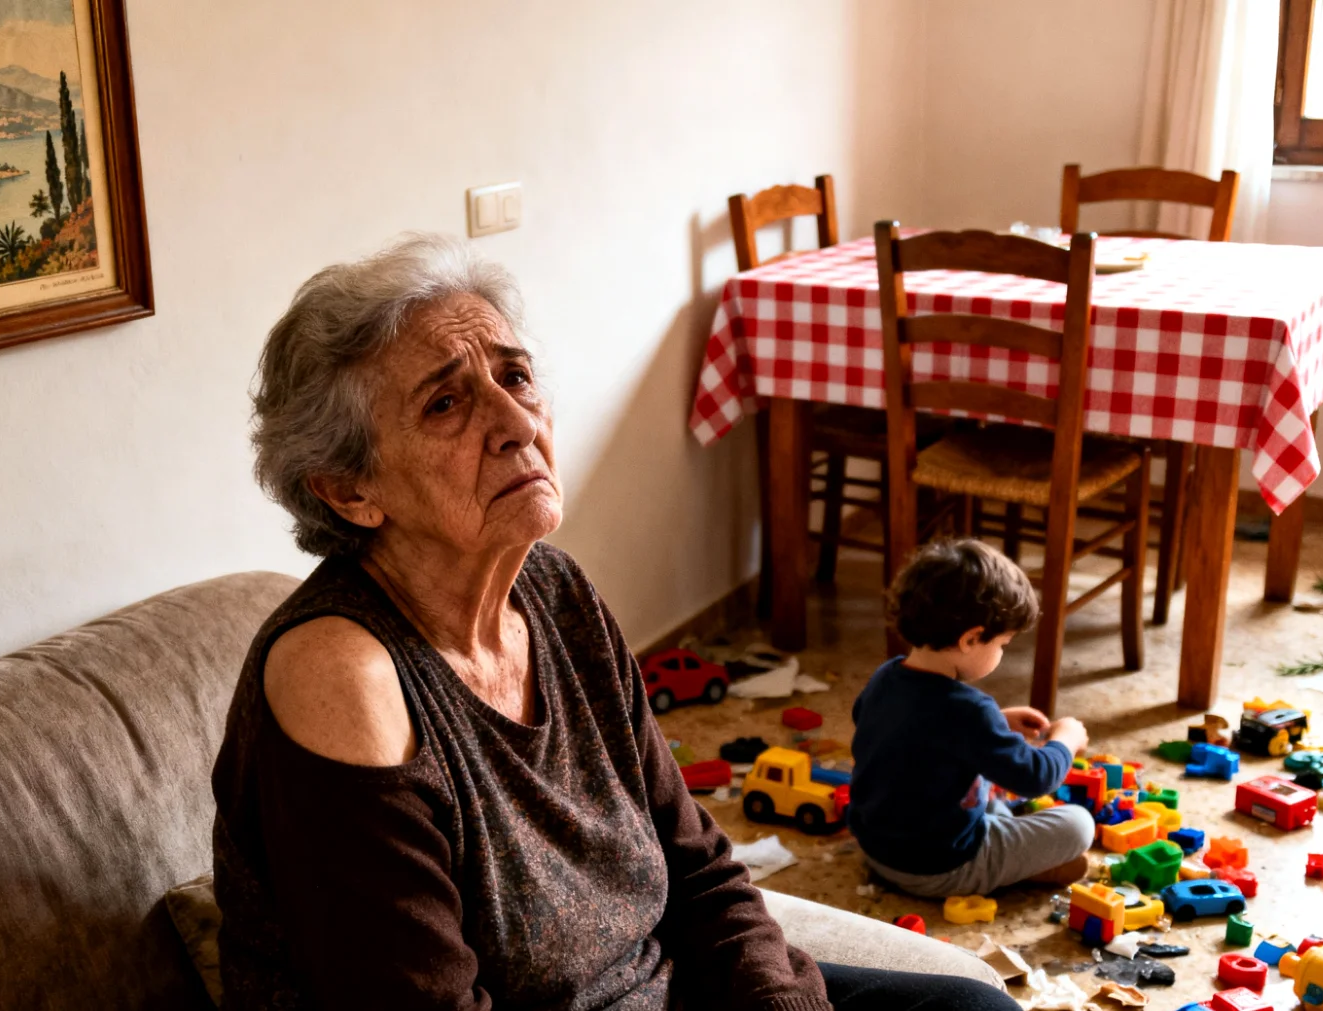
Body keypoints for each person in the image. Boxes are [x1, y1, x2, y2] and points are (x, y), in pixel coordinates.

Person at [211, 233, 1020, 1011]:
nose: (517, 423)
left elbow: (698, 866)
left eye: (516, 376)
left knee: (971, 1007)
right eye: (446, 403)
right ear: (349, 490)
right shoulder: (342, 677)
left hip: (674, 989)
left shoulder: (554, 590)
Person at [848, 539, 1097, 898]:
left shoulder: (885, 676)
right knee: (1079, 825)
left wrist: (998, 721)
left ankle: (1018, 860)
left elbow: (911, 729)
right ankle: (1013, 870)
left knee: (988, 794)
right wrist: (1066, 739)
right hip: (942, 866)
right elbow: (1035, 777)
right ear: (971, 639)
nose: (1002, 652)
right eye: (1002, 645)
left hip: (877, 847)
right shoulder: (969, 711)